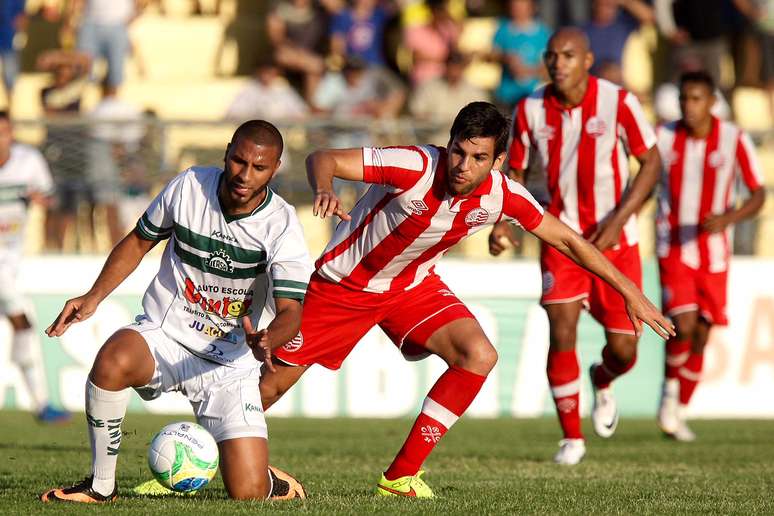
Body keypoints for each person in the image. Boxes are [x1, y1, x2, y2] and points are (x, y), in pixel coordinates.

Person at [257, 101, 673, 497]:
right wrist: (325, 187)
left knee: (479, 355)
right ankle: (212, 445)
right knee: (270, 388)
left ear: (497, 161)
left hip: (410, 288)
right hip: (344, 287)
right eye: (459, 152)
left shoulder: (504, 195)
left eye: (478, 158)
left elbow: (568, 239)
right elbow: (323, 157)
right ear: (449, 142)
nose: (463, 166)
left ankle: (400, 477)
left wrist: (630, 292)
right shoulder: (417, 164)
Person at [40, 120, 310, 503]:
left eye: (259, 167)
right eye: (238, 161)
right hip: (166, 336)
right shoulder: (189, 186)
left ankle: (266, 479)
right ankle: (101, 486)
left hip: (229, 365)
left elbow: (291, 311)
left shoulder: (281, 224)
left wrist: (269, 338)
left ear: (276, 168)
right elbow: (138, 241)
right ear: (227, 151)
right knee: (113, 359)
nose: (244, 175)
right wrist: (94, 296)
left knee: (247, 494)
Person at [488, 28, 663, 465]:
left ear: (587, 60)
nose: (558, 63)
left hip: (616, 242)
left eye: (568, 55)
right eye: (552, 56)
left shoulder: (619, 102)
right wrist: (504, 223)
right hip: (560, 239)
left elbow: (653, 162)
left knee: (624, 351)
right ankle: (571, 438)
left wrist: (620, 218)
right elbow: (518, 174)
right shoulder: (529, 108)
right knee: (561, 329)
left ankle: (602, 379)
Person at [655, 71, 766, 441]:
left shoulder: (734, 139)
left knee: (701, 335)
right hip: (673, 246)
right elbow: (642, 184)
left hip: (716, 254)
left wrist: (729, 218)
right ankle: (669, 396)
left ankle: (679, 410)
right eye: (684, 98)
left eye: (697, 98)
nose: (689, 106)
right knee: (682, 325)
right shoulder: (665, 137)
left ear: (712, 102)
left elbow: (757, 193)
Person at [0, 111, 70, 423]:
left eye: (5, 132)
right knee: (22, 322)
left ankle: (41, 403)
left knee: (22, 326)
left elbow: (52, 198)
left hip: (13, 257)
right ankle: (42, 404)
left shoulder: (28, 161)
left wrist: (42, 199)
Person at [491, 0, 551, 109]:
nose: (518, 8)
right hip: (507, 97)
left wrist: (529, 71)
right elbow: (491, 56)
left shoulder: (543, 32)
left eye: (522, 4)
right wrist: (506, 58)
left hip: (535, 97)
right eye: (514, 5)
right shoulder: (503, 29)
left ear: (532, 7)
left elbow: (549, 66)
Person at [582, 0, 654, 87]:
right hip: (597, 85)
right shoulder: (584, 31)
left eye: (609, 4)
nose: (606, 8)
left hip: (627, 85)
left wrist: (625, 2)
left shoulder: (624, 24)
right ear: (594, 4)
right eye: (602, 4)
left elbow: (650, 17)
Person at [224, 57, 309, 122]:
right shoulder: (249, 89)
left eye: (270, 72)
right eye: (265, 72)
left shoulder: (283, 89)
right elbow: (232, 114)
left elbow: (301, 113)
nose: (267, 76)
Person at [0, 0, 26, 110]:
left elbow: (20, 17)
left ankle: (11, 106)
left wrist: (19, 33)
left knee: (10, 73)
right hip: (7, 35)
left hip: (8, 37)